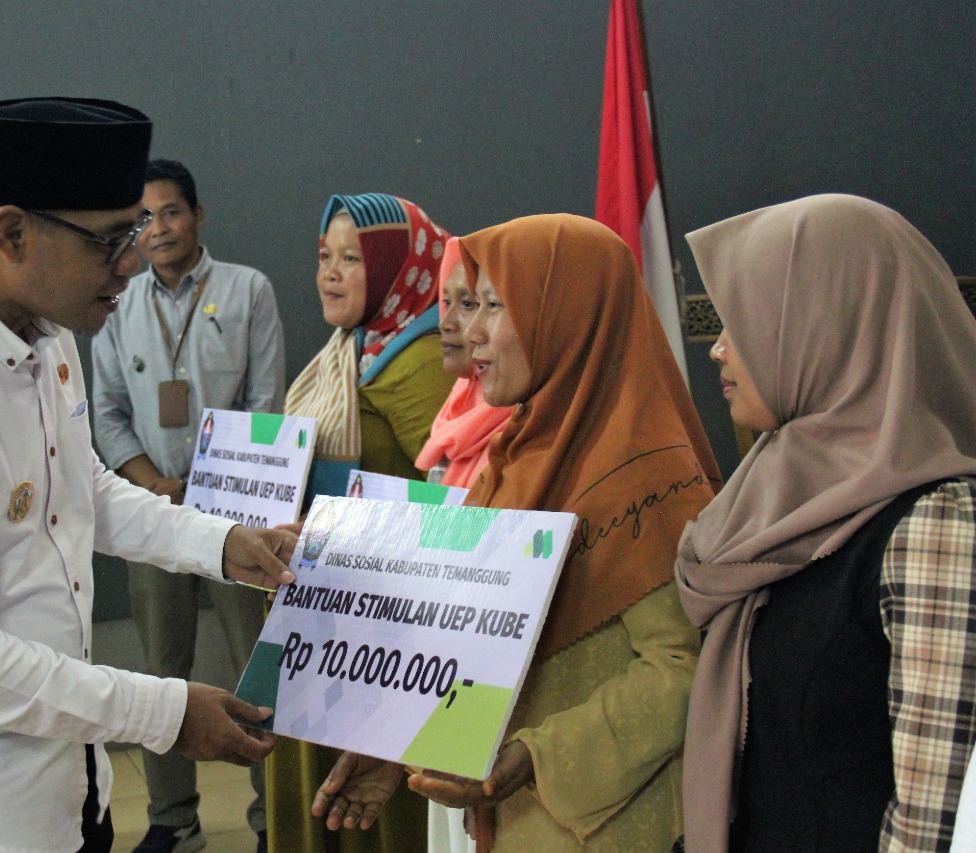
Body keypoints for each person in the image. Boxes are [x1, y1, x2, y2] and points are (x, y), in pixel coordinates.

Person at [0, 97, 297, 853]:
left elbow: (82, 490)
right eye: (111, 242)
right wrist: (162, 712)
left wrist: (222, 542)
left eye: (136, 232)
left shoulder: (47, 332)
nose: (132, 264)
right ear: (12, 232)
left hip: (70, 785)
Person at [312, 214, 721, 852]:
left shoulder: (650, 475)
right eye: (469, 304)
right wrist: (401, 742)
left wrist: (535, 756)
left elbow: (687, 670)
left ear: (567, 312)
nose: (467, 331)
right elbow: (480, 642)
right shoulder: (519, 451)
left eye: (495, 306)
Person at [676, 194, 976, 852]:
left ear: (828, 325)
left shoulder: (935, 522)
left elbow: (929, 818)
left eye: (747, 322)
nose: (719, 349)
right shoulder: (770, 494)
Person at [91, 157, 286, 853]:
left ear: (198, 216)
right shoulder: (115, 304)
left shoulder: (248, 291)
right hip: (154, 512)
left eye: (170, 211)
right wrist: (155, 484)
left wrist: (216, 492)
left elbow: (266, 405)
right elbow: (107, 414)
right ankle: (174, 819)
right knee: (159, 668)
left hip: (238, 516)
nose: (158, 228)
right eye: (142, 217)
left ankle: (273, 821)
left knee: (254, 665)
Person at [268, 192, 456, 852]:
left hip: (385, 633)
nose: (330, 272)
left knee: (373, 813)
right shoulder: (349, 348)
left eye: (352, 258)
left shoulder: (410, 359)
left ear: (397, 268)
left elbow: (459, 493)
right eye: (325, 257)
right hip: (329, 615)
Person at [412, 235, 512, 852]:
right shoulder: (455, 411)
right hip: (445, 682)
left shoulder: (522, 431)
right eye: (449, 301)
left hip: (495, 710)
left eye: (478, 303)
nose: (459, 325)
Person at [414, 236, 511, 490]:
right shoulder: (458, 404)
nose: (445, 322)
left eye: (469, 303)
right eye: (446, 302)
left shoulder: (521, 428)